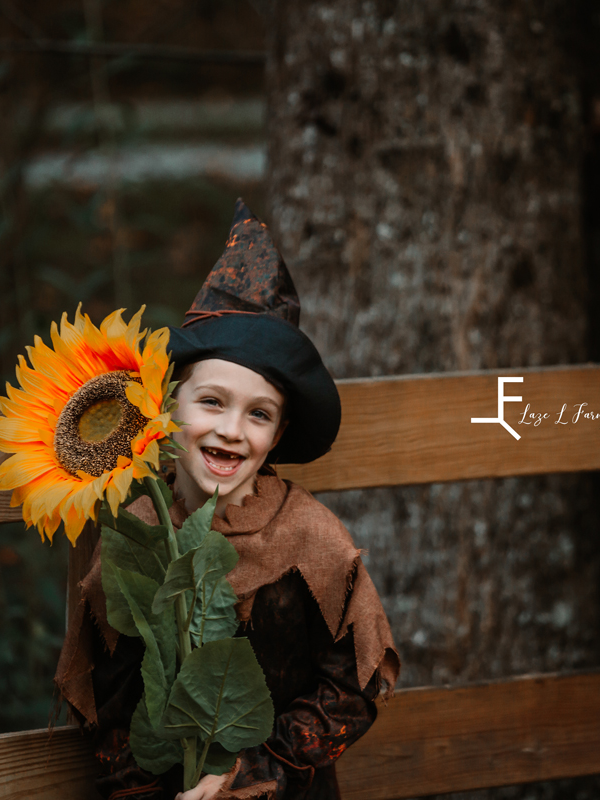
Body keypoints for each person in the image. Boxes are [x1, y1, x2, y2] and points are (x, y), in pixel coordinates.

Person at [55, 200, 399, 800]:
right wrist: (141, 787)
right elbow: (110, 704)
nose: (231, 430)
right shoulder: (136, 538)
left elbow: (352, 686)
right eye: (211, 402)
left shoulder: (310, 539)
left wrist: (258, 770)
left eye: (258, 414)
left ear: (280, 435)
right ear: (169, 404)